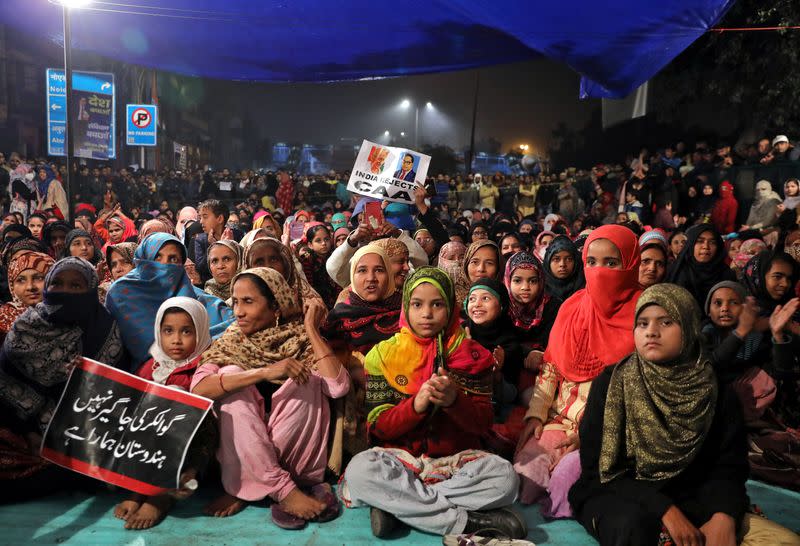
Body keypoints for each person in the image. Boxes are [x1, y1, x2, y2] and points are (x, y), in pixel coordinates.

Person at [569, 283, 800, 546]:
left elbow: (728, 467)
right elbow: (597, 470)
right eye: (642, 324)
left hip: (695, 496)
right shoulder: (612, 384)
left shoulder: (715, 388)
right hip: (623, 495)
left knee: (785, 541)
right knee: (633, 528)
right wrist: (666, 510)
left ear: (689, 327)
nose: (651, 332)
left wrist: (723, 516)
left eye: (666, 322)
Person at [341, 267, 525, 540]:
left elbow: (483, 423)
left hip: (455, 463)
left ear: (450, 307)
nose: (426, 313)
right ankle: (467, 522)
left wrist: (454, 401)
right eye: (417, 304)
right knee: (360, 469)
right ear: (406, 307)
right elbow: (378, 427)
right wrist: (416, 405)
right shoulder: (381, 355)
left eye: (437, 304)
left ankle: (398, 509)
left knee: (505, 478)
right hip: (401, 461)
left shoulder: (474, 356)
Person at [191, 268, 348, 529]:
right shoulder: (230, 341)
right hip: (251, 460)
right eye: (236, 302)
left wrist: (310, 329)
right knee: (230, 378)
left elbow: (338, 386)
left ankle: (254, 486)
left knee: (308, 378)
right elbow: (199, 389)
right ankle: (281, 489)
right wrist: (264, 372)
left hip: (297, 463)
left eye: (248, 302)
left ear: (276, 307)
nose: (238, 311)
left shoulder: (301, 339)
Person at [514, 224, 642, 518]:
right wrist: (535, 415)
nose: (599, 271)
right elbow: (550, 368)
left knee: (564, 489)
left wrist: (590, 435)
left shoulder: (643, 314)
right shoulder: (572, 307)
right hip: (560, 417)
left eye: (611, 263)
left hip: (607, 430)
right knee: (525, 479)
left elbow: (637, 395)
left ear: (630, 264)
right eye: (592, 262)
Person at [0, 257, 125, 500]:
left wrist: (85, 378)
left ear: (90, 290)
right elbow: (5, 385)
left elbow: (114, 398)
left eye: (76, 286)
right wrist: (30, 433)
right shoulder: (26, 325)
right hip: (24, 431)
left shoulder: (104, 329)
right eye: (57, 283)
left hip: (81, 431)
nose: (65, 291)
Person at [114, 297, 214, 530]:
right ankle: (138, 488)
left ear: (200, 331)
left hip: (192, 449)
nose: (176, 340)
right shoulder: (151, 366)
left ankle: (160, 495)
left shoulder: (205, 365)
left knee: (174, 397)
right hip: (148, 446)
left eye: (187, 331)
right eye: (168, 331)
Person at [106, 233, 234, 366]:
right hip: (141, 380)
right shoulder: (120, 294)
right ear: (143, 259)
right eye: (157, 258)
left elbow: (232, 326)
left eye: (173, 259)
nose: (164, 265)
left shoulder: (195, 297)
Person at [463, 277, 523, 417]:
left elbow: (510, 397)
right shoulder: (460, 333)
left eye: (485, 298)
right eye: (472, 299)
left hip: (495, 408)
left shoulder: (510, 343)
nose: (477, 304)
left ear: (501, 305)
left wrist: (497, 375)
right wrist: (465, 351)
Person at [666, 224, 736, 307]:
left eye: (712, 242)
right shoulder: (677, 271)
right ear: (691, 245)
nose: (706, 247)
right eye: (700, 241)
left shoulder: (726, 275)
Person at [0, 251, 54, 343]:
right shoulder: (3, 319)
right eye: (21, 280)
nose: (30, 287)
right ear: (12, 286)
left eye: (39, 278)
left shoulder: (65, 316)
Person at [298, 223, 339, 309]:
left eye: (326, 239)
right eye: (318, 240)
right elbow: (308, 284)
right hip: (316, 302)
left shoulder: (335, 256)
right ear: (310, 245)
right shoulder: (307, 259)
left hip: (336, 301)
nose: (324, 243)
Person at [454, 240, 501, 305]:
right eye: (475, 262)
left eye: (489, 263)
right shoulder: (451, 299)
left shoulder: (506, 299)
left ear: (498, 268)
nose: (481, 269)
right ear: (466, 265)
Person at [542, 235, 585, 303]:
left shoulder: (584, 288)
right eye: (556, 259)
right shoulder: (540, 288)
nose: (562, 264)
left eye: (569, 259)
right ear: (548, 262)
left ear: (576, 261)